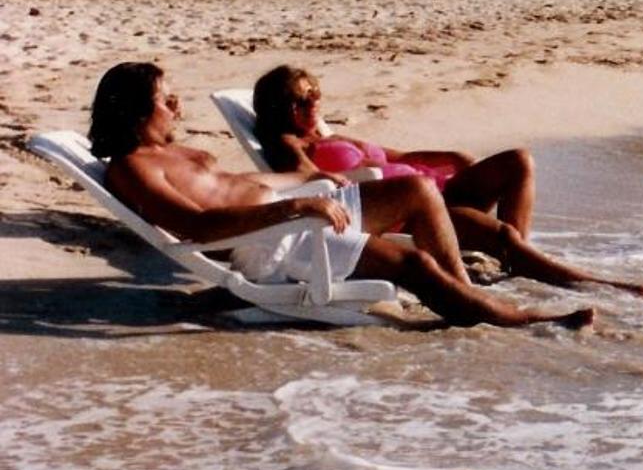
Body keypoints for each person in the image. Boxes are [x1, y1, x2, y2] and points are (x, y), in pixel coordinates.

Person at [90, 63, 613, 329]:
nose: (177, 106)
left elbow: (250, 184)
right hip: (270, 242)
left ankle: (468, 297)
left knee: (416, 189)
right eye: (166, 100)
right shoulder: (133, 168)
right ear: (136, 112)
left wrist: (310, 183)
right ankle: (513, 319)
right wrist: (297, 206)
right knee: (414, 267)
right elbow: (198, 228)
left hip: (287, 215)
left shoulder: (174, 152)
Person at [252, 65, 537, 239]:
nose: (314, 103)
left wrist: (451, 156)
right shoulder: (292, 145)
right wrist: (330, 174)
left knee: (518, 160)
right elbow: (307, 178)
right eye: (303, 100)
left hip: (440, 189)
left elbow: (400, 158)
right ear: (283, 108)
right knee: (503, 237)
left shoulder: (330, 137)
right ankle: (518, 266)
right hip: (415, 212)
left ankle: (516, 266)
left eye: (315, 94)